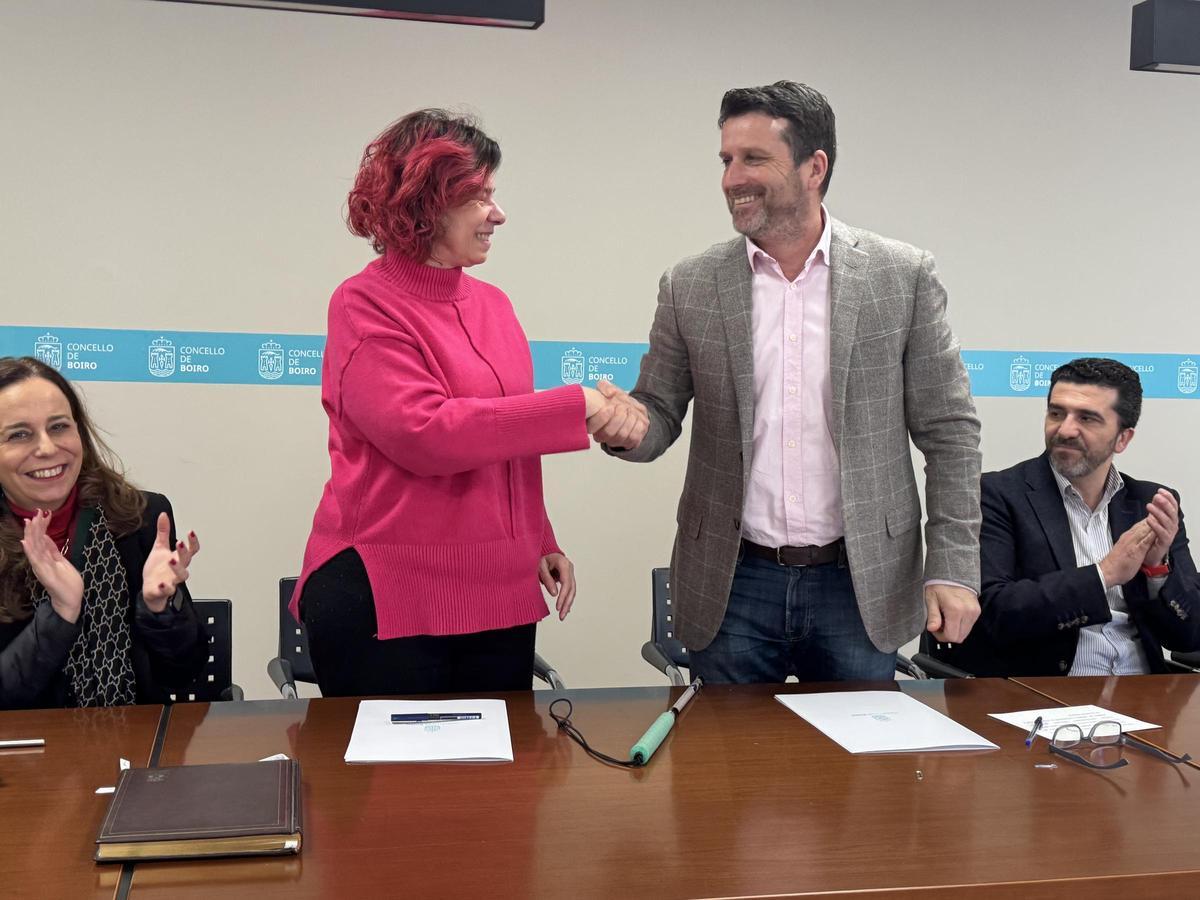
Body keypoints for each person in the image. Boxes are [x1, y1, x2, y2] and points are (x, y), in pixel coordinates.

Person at [591, 81, 982, 683]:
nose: (731, 178)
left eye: (753, 159)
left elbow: (950, 431)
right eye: (726, 160)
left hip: (860, 580)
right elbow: (658, 411)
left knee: (858, 772)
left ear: (813, 168)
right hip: (735, 579)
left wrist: (952, 567)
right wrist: (627, 427)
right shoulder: (690, 284)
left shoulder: (900, 276)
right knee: (730, 771)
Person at [293, 109, 609, 696]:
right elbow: (427, 435)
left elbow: (506, 443)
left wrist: (537, 540)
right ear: (423, 204)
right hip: (389, 594)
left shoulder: (495, 305)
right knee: (396, 789)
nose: (499, 213)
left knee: (497, 790)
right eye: (479, 196)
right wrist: (577, 406)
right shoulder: (362, 304)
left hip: (498, 590)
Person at [933, 358, 1200, 677]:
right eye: (1057, 413)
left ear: (1123, 438)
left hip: (1143, 695)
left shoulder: (1149, 503)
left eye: (1087, 419)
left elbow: (1188, 635)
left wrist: (1158, 572)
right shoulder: (996, 495)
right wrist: (1105, 574)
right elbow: (994, 613)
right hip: (1044, 695)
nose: (1065, 429)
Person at [0, 357, 206, 709]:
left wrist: (159, 609)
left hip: (133, 748)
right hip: (23, 757)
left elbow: (184, 672)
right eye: (19, 434)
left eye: (60, 427)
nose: (48, 448)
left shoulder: (137, 517)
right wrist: (60, 614)